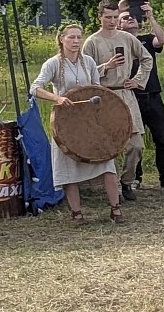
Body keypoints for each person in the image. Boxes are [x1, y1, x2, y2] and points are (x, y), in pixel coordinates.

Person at [30, 24, 124, 223]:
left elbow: (96, 88)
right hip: (66, 124)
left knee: (106, 161)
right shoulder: (53, 63)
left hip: (90, 121)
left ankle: (115, 209)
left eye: (78, 37)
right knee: (68, 167)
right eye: (71, 37)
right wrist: (57, 99)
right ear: (61, 39)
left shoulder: (88, 62)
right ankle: (77, 213)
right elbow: (35, 88)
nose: (75, 41)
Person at [82, 0, 153, 203]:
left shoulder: (127, 38)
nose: (112, 21)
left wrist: (137, 81)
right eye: (108, 17)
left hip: (126, 93)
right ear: (100, 17)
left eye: (115, 17)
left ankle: (127, 180)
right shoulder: (92, 42)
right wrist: (106, 66)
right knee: (109, 144)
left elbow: (146, 59)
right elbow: (85, 72)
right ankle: (112, 188)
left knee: (136, 144)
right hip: (104, 95)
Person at [118, 0, 164, 190]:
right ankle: (136, 177)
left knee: (161, 137)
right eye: (125, 18)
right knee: (135, 139)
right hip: (132, 97)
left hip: (152, 96)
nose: (130, 19)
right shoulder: (120, 42)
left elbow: (161, 40)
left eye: (133, 17)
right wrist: (121, 9)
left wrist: (151, 16)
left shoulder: (146, 40)